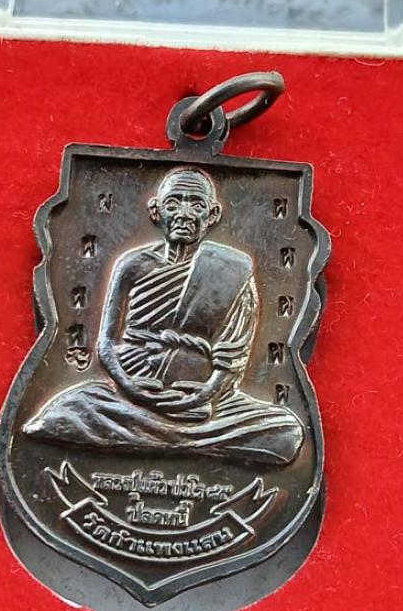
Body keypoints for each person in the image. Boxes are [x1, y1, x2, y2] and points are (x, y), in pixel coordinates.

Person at [25, 168, 304, 466]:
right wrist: (132, 389)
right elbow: (105, 343)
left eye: (196, 205)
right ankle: (184, 440)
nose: (184, 214)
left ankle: (155, 437)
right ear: (156, 211)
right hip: (133, 387)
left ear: (212, 215)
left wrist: (203, 395)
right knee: (67, 412)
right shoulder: (133, 264)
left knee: (285, 430)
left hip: (204, 397)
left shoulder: (232, 268)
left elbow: (234, 351)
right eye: (174, 203)